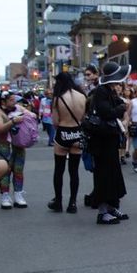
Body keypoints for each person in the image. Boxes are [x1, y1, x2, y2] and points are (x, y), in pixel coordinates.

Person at [90, 63, 130, 224]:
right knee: (104, 176)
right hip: (102, 142)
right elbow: (108, 113)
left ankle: (112, 207)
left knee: (113, 175)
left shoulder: (109, 91)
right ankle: (103, 211)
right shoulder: (101, 91)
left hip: (109, 141)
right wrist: (122, 108)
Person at [49, 72, 86, 214]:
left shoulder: (58, 98)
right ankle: (73, 202)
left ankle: (58, 201)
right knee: (74, 171)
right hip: (77, 133)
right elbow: (83, 117)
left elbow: (55, 122)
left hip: (63, 133)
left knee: (59, 170)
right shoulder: (82, 96)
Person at [0, 92, 34, 209]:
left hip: (18, 143)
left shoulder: (18, 108)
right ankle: (5, 195)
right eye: (11, 100)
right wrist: (13, 121)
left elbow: (31, 115)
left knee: (18, 169)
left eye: (14, 99)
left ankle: (18, 194)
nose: (14, 102)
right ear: (3, 102)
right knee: (6, 170)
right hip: (3, 144)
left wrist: (29, 114)